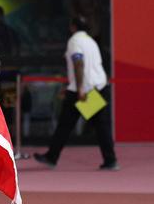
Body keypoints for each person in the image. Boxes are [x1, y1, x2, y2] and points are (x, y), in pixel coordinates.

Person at [33, 16, 118, 170]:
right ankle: (110, 160)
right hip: (98, 86)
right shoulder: (92, 42)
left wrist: (79, 88)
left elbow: (78, 63)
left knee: (66, 124)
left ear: (73, 27)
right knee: (99, 125)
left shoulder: (74, 41)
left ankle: (52, 156)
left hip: (84, 90)